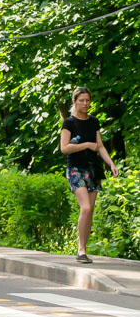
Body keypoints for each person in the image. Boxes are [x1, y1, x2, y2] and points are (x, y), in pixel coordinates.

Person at [59, 87, 118, 263]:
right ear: (74, 101)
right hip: (76, 169)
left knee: (90, 211)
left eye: (87, 100)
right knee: (85, 208)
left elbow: (99, 146)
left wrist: (111, 163)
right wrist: (85, 144)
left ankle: (84, 249)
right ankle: (81, 249)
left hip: (93, 169)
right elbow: (64, 148)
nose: (85, 104)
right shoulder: (69, 123)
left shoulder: (93, 122)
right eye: (81, 100)